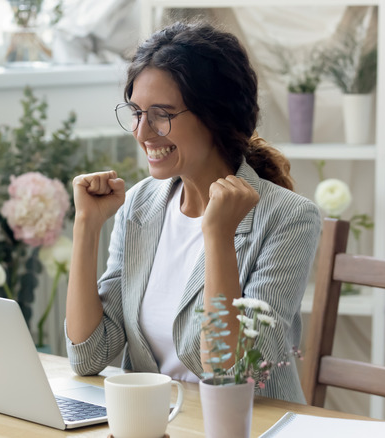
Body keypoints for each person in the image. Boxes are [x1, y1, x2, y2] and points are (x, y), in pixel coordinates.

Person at [64, 21, 321, 403]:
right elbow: (88, 355)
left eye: (162, 114)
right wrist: (85, 227)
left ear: (215, 116)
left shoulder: (288, 218)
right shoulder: (139, 204)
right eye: (136, 112)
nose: (142, 132)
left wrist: (217, 237)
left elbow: (234, 373)